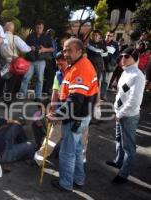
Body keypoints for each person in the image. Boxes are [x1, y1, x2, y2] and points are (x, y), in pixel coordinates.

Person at [49, 38, 98, 191]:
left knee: (67, 153)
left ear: (79, 51)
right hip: (80, 117)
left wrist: (57, 115)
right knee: (76, 150)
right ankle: (78, 179)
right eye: (64, 50)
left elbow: (75, 100)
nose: (65, 53)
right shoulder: (78, 65)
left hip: (74, 117)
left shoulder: (80, 68)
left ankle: (65, 184)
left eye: (69, 50)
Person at [106, 47, 145, 184]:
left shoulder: (138, 76)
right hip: (120, 113)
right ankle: (118, 161)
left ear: (134, 58)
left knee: (128, 146)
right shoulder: (126, 71)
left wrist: (121, 113)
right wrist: (117, 110)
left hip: (128, 115)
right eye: (122, 56)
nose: (122, 59)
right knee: (118, 139)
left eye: (126, 56)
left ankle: (124, 174)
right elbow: (121, 93)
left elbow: (135, 101)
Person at [0, 21, 31, 103]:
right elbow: (26, 49)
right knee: (10, 83)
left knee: (0, 81)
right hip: (12, 64)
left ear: (4, 28)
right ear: (13, 30)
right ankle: (7, 101)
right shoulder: (15, 38)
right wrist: (30, 48)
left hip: (1, 62)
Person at [19, 20, 53, 101]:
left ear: (43, 28)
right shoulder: (30, 36)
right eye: (37, 28)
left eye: (40, 28)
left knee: (40, 79)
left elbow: (52, 48)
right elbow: (24, 47)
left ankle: (38, 97)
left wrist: (44, 49)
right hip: (30, 60)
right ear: (35, 27)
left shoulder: (47, 37)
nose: (39, 29)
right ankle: (21, 95)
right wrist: (30, 47)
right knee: (26, 78)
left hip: (41, 61)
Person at [101, 31, 119, 101]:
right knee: (98, 80)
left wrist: (112, 59)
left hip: (108, 65)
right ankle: (96, 95)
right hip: (99, 64)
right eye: (108, 35)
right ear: (106, 35)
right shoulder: (101, 42)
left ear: (113, 37)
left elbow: (117, 53)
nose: (109, 37)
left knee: (105, 81)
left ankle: (103, 95)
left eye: (110, 36)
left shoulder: (115, 44)